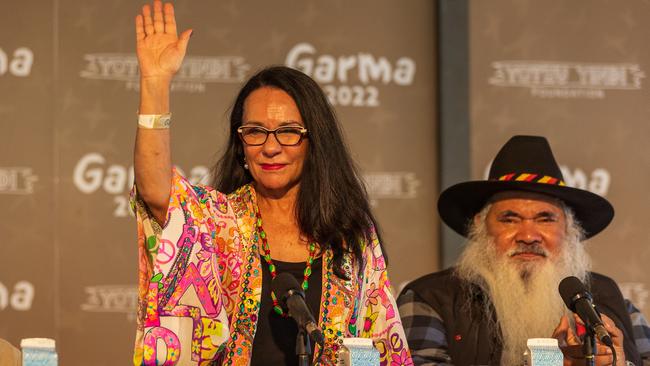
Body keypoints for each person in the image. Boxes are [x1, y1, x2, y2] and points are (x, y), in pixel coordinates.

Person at [131, 1, 411, 365]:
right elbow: (155, 191)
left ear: (315, 143)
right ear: (241, 144)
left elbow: (383, 347)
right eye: (255, 132)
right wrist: (155, 84)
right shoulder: (218, 222)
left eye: (288, 132)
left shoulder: (350, 238)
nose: (271, 147)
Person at [397, 135, 650, 365]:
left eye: (545, 219)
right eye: (510, 219)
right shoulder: (431, 298)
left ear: (570, 230)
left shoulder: (612, 302)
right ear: (480, 227)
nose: (529, 236)